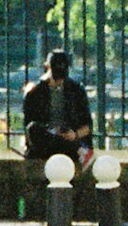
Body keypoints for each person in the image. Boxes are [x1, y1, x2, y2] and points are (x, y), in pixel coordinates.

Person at [22, 48, 94, 177]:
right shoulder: (35, 92)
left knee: (66, 141)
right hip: (48, 141)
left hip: (69, 137)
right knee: (34, 129)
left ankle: (72, 146)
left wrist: (75, 134)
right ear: (47, 68)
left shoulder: (76, 91)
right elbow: (29, 127)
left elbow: (88, 125)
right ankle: (76, 149)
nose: (59, 80)